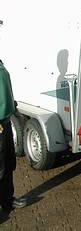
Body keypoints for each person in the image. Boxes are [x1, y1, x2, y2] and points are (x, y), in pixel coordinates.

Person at [0, 59, 27, 212]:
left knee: (8, 161)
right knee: (1, 165)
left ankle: (7, 201)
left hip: (5, 121)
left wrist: (13, 104)